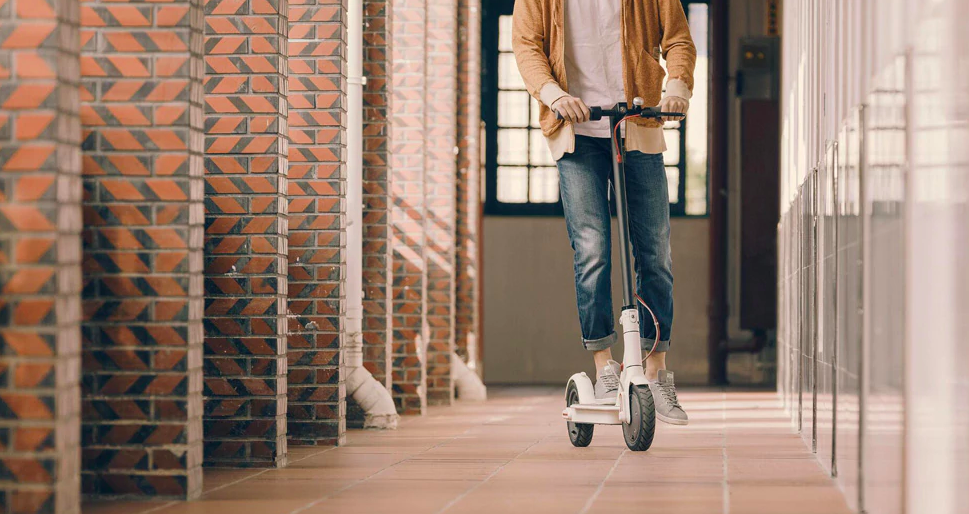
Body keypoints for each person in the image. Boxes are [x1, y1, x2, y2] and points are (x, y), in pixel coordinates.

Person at [512, 0, 696, 425]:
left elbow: (678, 39)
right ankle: (604, 367)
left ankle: (655, 370)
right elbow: (527, 45)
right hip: (576, 130)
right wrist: (555, 95)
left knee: (655, 251)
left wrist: (677, 88)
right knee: (592, 249)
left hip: (637, 122)